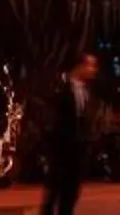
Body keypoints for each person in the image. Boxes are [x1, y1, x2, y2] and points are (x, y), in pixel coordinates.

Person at [40, 51, 99, 215]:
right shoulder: (60, 87)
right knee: (53, 192)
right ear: (79, 66)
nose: (93, 69)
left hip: (79, 151)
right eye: (90, 65)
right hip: (60, 150)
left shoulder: (88, 92)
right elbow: (51, 118)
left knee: (71, 192)